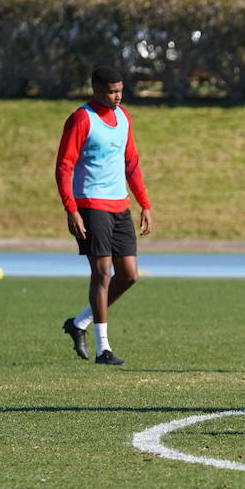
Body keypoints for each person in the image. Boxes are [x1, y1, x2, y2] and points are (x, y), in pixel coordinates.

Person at [55, 66, 152, 366]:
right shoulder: (82, 119)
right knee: (102, 273)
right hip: (90, 204)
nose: (117, 96)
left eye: (120, 90)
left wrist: (144, 203)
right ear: (96, 89)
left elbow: (131, 163)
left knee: (129, 275)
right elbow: (63, 166)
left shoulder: (124, 118)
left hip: (119, 205)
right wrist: (71, 209)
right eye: (111, 91)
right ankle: (103, 350)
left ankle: (79, 323)